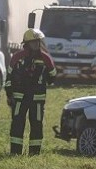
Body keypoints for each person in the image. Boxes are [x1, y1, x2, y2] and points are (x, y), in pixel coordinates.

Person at [5, 28, 57, 156]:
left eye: (37, 42)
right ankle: (15, 152)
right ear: (27, 43)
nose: (36, 44)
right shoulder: (17, 57)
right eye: (33, 42)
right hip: (19, 97)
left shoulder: (46, 58)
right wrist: (9, 94)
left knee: (36, 125)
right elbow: (9, 78)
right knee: (17, 124)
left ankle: (34, 153)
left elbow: (53, 76)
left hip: (37, 99)